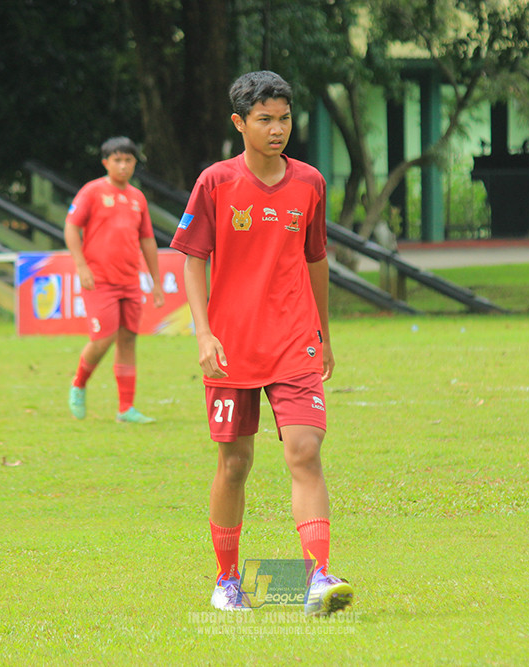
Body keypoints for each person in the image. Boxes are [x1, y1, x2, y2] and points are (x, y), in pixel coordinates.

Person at [170, 70, 354, 615]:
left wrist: (323, 334)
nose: (278, 129)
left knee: (305, 450)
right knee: (234, 463)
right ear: (239, 123)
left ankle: (318, 577)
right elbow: (193, 258)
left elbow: (315, 259)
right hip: (232, 346)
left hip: (294, 339)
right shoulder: (216, 182)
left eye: (285, 118)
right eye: (265, 119)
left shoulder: (310, 183)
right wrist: (203, 331)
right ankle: (227, 581)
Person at [65, 136, 165, 424]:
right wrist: (81, 266)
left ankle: (125, 409)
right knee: (103, 338)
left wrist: (156, 282)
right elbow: (71, 228)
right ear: (105, 163)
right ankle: (79, 383)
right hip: (99, 280)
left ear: (134, 163)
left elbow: (147, 240)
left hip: (129, 281)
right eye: (117, 160)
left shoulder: (138, 198)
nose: (123, 166)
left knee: (128, 339)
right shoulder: (92, 191)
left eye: (128, 160)